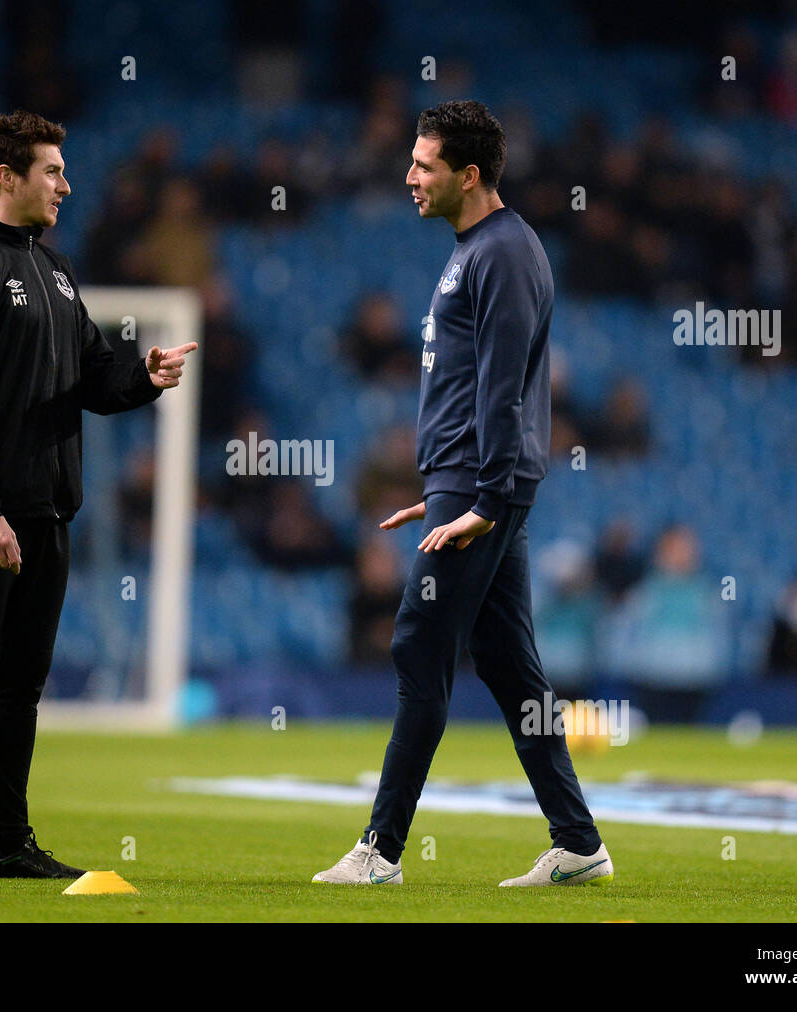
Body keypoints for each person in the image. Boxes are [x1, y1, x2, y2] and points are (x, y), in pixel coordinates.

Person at [312, 101, 610, 887]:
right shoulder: (476, 249)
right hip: (465, 483)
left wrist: (480, 497)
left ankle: (380, 852)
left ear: (468, 174)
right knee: (510, 665)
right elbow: (472, 382)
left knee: (419, 644)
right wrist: (440, 490)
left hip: (484, 484)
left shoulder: (502, 252)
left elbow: (504, 385)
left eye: (424, 164)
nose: (409, 176)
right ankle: (578, 842)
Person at [0, 110, 196, 880]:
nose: (66, 185)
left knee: (21, 686)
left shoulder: (56, 270)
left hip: (45, 516)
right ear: (7, 178)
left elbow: (94, 382)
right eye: (52, 171)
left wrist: (145, 376)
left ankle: (5, 843)